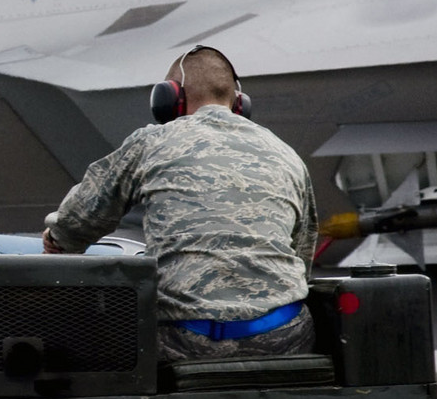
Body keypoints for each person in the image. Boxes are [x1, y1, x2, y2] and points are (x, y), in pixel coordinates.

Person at [41, 46, 318, 360]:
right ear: (239, 103)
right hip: (283, 336)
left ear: (170, 99)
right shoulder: (286, 155)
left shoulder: (151, 143)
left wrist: (58, 240)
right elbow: (301, 253)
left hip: (186, 338)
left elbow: (80, 218)